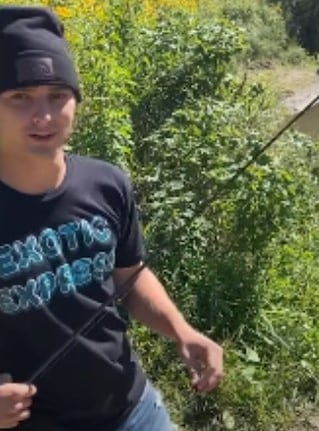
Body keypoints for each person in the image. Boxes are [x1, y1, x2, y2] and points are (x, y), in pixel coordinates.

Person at [0, 6, 223, 430]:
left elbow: (130, 275)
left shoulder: (106, 182)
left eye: (57, 95)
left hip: (135, 411)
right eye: (20, 97)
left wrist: (182, 331)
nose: (43, 116)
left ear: (76, 101)